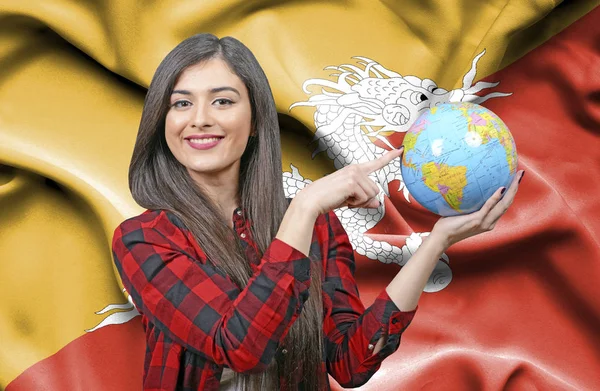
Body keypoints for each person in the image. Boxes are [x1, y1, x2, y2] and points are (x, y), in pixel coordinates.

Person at [111, 33, 524, 391]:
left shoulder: (315, 224)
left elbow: (349, 363)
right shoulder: (143, 239)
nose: (199, 120)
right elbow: (238, 345)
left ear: (255, 121)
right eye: (181, 103)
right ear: (162, 122)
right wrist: (305, 205)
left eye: (222, 101)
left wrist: (435, 244)